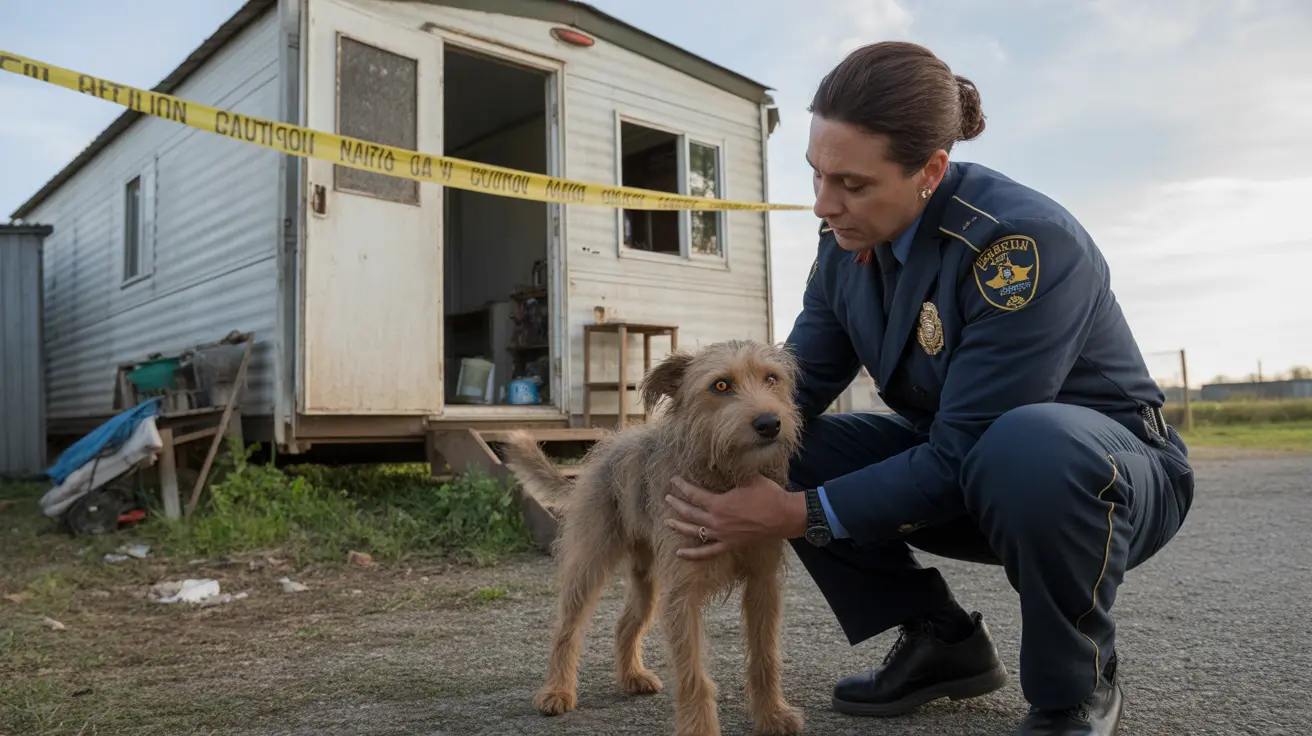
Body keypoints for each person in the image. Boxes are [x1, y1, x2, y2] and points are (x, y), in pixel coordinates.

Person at [661, 40, 1195, 736]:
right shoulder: (844, 250)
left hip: (1096, 480)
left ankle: (1076, 687)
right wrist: (679, 457)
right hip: (970, 468)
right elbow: (794, 388)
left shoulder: (1021, 244)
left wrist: (794, 515)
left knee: (1029, 443)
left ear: (930, 171)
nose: (825, 204)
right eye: (817, 176)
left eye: (851, 185)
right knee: (793, 439)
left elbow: (970, 446)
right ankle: (941, 641)